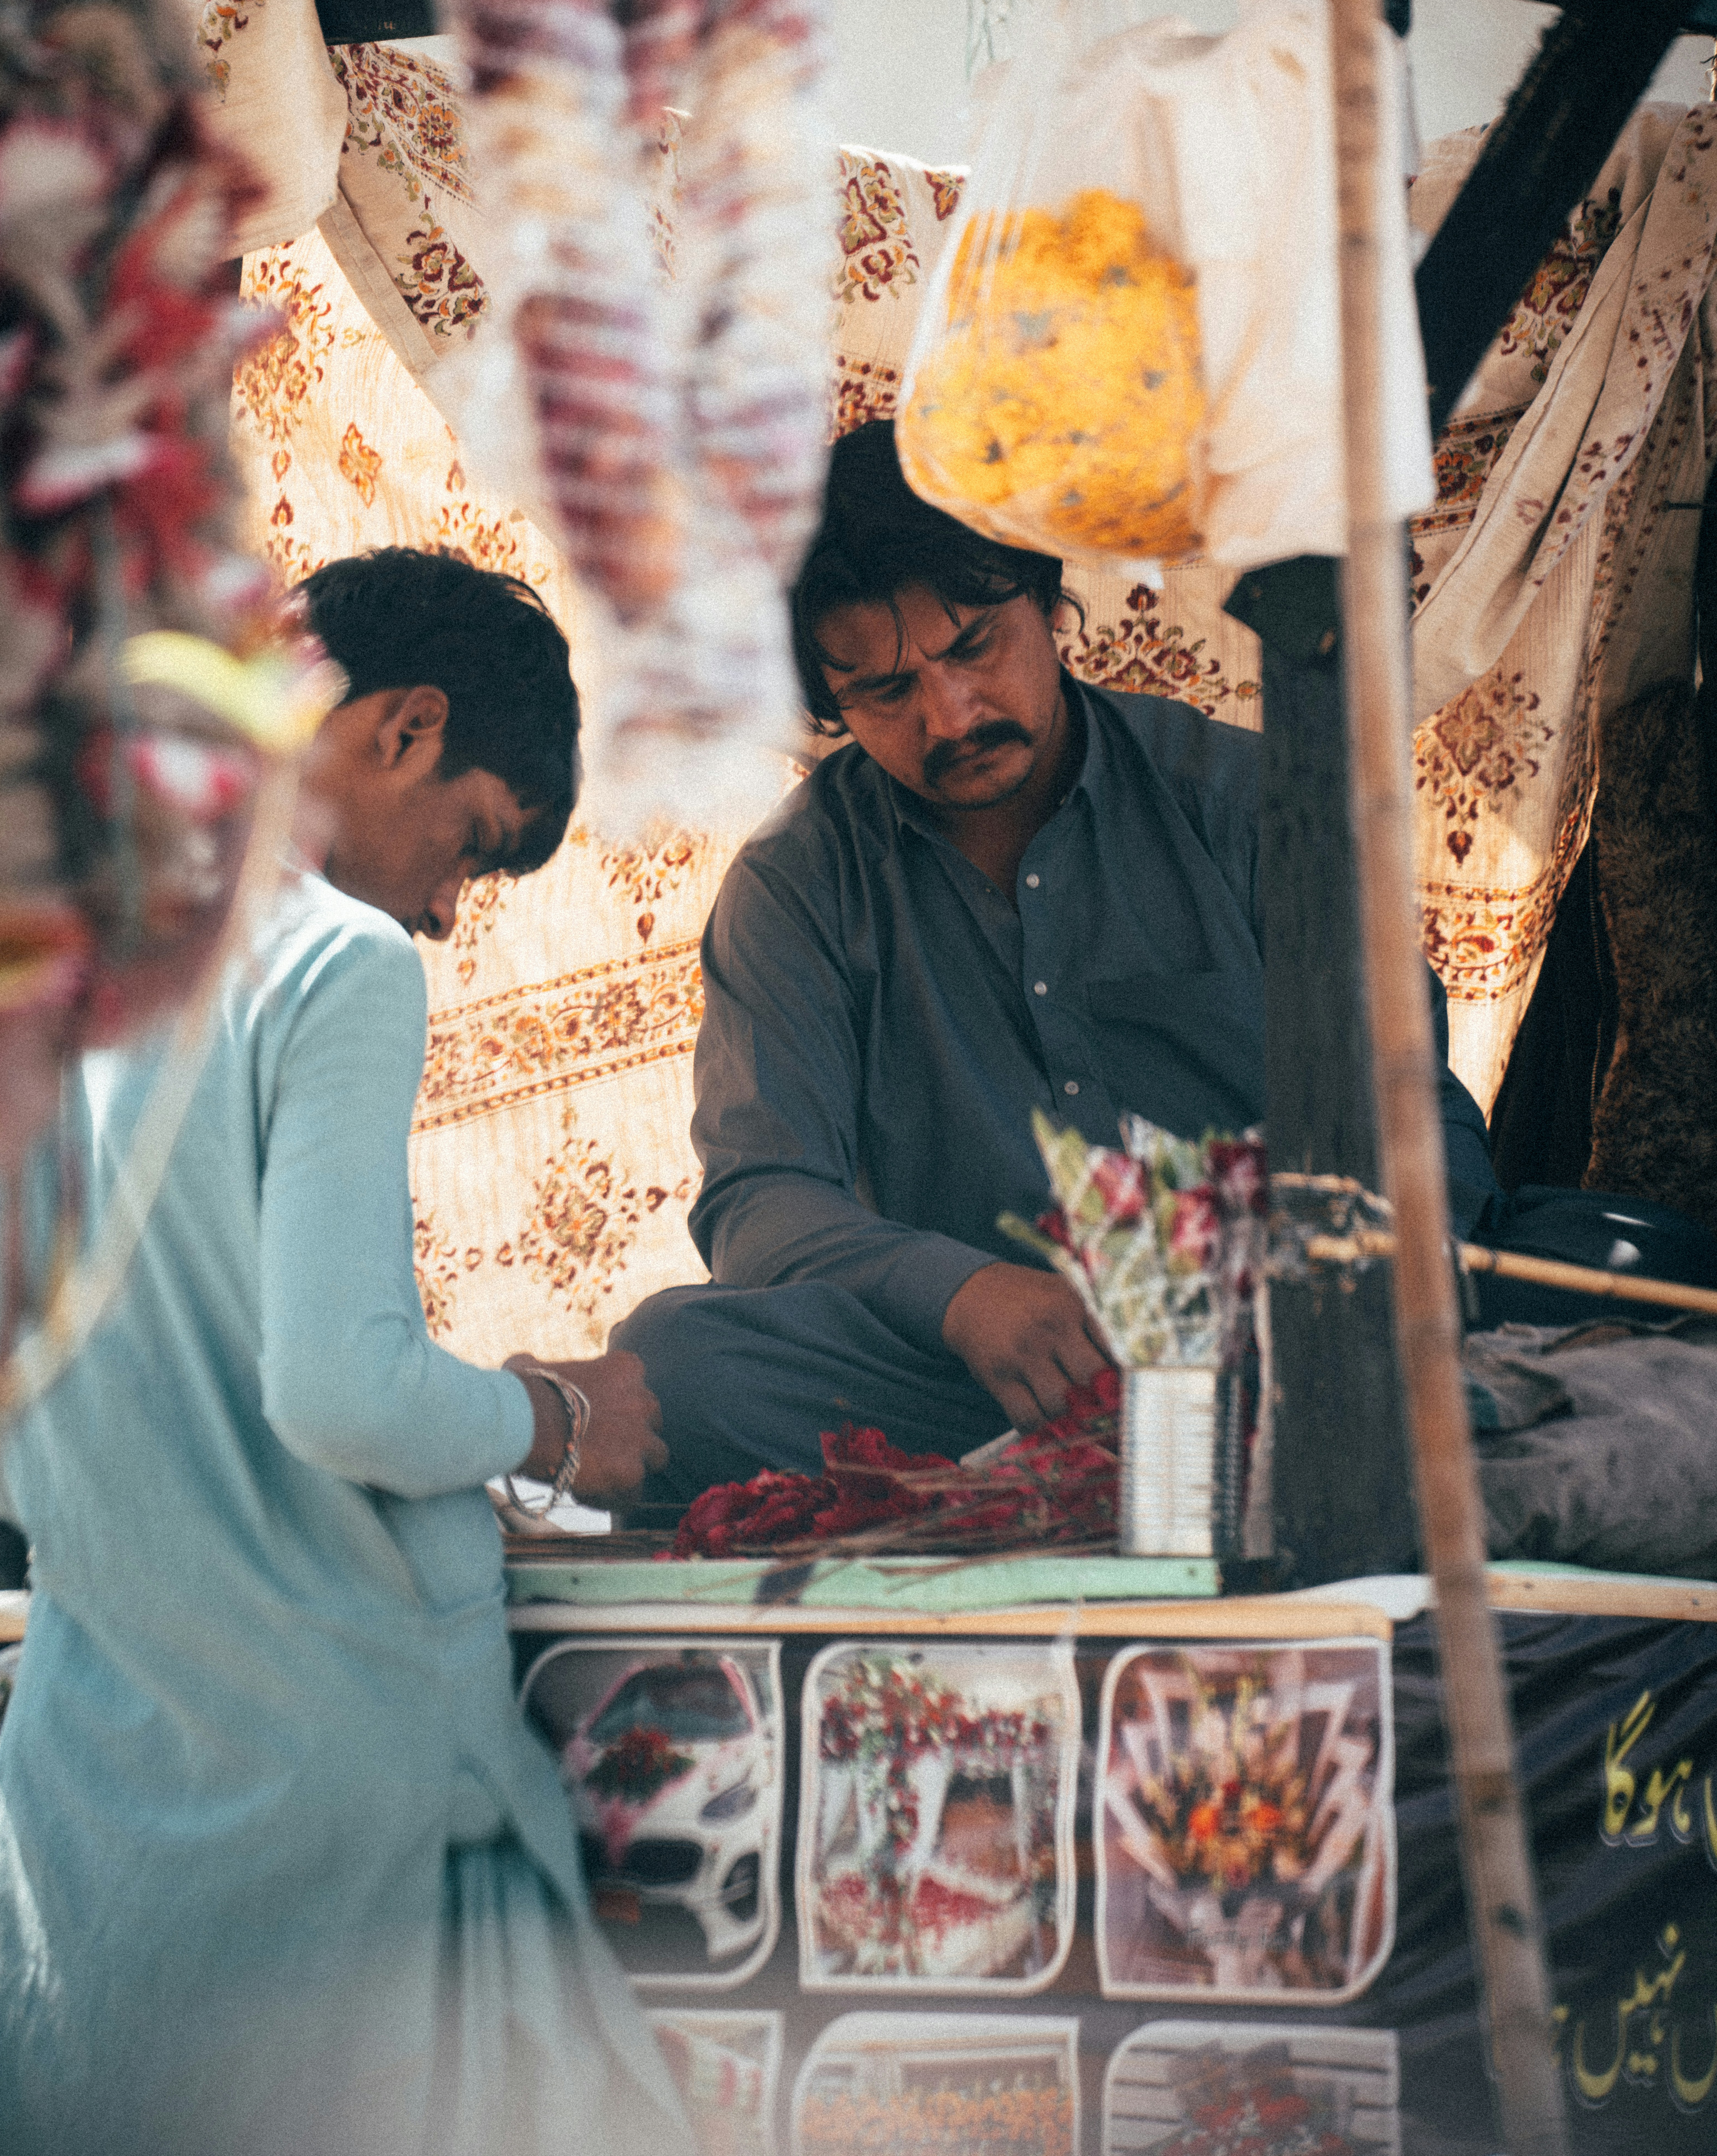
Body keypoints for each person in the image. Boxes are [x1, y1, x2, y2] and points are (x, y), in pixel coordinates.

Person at [0, 548, 685, 2156]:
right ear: (406, 729)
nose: (442, 913)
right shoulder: (327, 958)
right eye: (473, 854)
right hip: (323, 1814)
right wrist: (547, 1421)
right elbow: (344, 1387)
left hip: (91, 1808)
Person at [615, 422, 1502, 1507]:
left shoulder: (1248, 804)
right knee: (673, 1364)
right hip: (991, 1385)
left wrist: (1315, 1299)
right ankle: (1087, 1486)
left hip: (1278, 1351)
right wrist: (965, 1298)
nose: (950, 714)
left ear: (1050, 605)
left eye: (974, 647)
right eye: (885, 692)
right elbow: (760, 1201)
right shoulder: (796, 886)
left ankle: (1211, 1463)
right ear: (830, 707)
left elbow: (1413, 1113)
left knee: (1610, 1283)